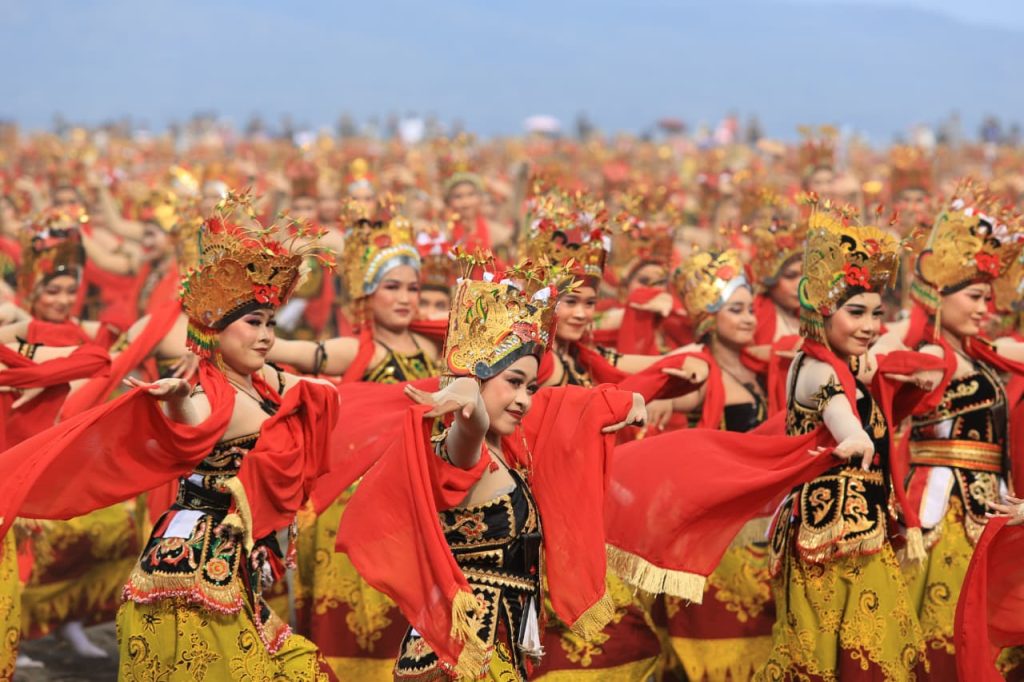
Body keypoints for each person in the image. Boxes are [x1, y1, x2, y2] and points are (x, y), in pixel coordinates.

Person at [0, 203, 340, 680]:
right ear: (215, 330)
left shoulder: (264, 384)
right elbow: (192, 432)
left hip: (228, 561)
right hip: (193, 571)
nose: (265, 337)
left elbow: (323, 392)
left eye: (269, 324)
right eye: (253, 324)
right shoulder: (210, 394)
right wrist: (177, 399)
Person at [337, 253, 650, 680]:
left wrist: (630, 400)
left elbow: (567, 406)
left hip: (495, 653)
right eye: (513, 383)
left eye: (530, 386)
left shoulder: (510, 449)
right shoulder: (460, 450)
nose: (524, 399)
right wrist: (468, 396)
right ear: (478, 377)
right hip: (462, 659)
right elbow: (469, 428)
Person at [757, 204, 928, 680]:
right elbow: (838, 415)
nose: (870, 326)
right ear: (823, 311)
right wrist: (853, 436)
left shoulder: (850, 365)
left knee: (875, 655)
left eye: (877, 313)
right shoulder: (811, 368)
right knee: (832, 660)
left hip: (861, 534)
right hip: (826, 540)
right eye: (856, 313)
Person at [880, 181, 1024, 679]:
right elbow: (876, 355)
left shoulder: (982, 355)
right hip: (946, 513)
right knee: (943, 638)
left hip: (991, 506)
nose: (987, 308)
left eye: (990, 297)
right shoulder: (933, 355)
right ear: (940, 296)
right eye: (977, 297)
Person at [649, 249, 775, 681]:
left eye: (750, 309)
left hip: (765, 529)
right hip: (724, 534)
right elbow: (659, 399)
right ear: (709, 317)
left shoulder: (757, 371)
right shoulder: (703, 378)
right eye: (735, 309)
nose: (748, 318)